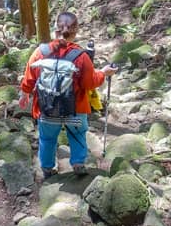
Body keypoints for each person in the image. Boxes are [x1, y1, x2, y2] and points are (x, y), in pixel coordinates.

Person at [19, 12, 117, 178]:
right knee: (77, 134)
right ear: (75, 31)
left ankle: (47, 169)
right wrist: (104, 73)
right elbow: (90, 82)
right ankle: (78, 162)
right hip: (75, 110)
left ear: (55, 29)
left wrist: (24, 94)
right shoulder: (81, 56)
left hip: (47, 110)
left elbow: (29, 78)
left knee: (47, 139)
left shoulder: (40, 52)